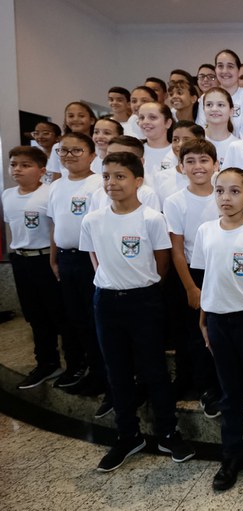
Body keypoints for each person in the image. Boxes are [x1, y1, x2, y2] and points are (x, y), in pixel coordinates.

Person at [80, 151, 195, 472]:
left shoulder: (151, 218)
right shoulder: (92, 220)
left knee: (154, 369)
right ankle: (127, 434)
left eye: (120, 176)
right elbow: (96, 260)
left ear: (138, 181)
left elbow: (162, 263)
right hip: (106, 301)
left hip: (144, 299)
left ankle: (167, 432)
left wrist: (141, 286)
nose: (111, 182)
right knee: (116, 370)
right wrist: (112, 285)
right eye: (106, 176)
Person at [191, 167, 243, 491]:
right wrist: (203, 318)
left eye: (235, 191)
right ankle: (232, 455)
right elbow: (206, 279)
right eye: (220, 191)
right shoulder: (205, 231)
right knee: (229, 394)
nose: (225, 198)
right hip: (216, 320)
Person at [4, 146, 71, 389]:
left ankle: (74, 362)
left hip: (45, 258)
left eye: (25, 165)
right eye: (14, 165)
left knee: (57, 312)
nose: (17, 169)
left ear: (42, 170)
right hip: (21, 259)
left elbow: (55, 229)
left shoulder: (49, 193)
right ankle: (46, 361)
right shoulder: (8, 195)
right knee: (34, 314)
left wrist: (54, 260)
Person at [164, 139, 221, 415]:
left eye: (204, 160)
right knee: (196, 334)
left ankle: (226, 383)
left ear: (216, 165)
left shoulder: (224, 194)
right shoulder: (175, 201)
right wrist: (190, 287)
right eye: (191, 161)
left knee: (222, 332)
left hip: (222, 272)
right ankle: (205, 387)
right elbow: (176, 250)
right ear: (180, 167)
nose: (198, 166)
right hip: (192, 273)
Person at [47, 132, 106, 395]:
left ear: (92, 155)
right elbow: (55, 223)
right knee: (75, 318)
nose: (69, 155)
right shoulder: (57, 185)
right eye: (64, 150)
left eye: (77, 150)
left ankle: (101, 374)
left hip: (89, 259)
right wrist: (53, 256)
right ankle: (81, 367)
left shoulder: (97, 184)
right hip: (65, 257)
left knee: (94, 319)